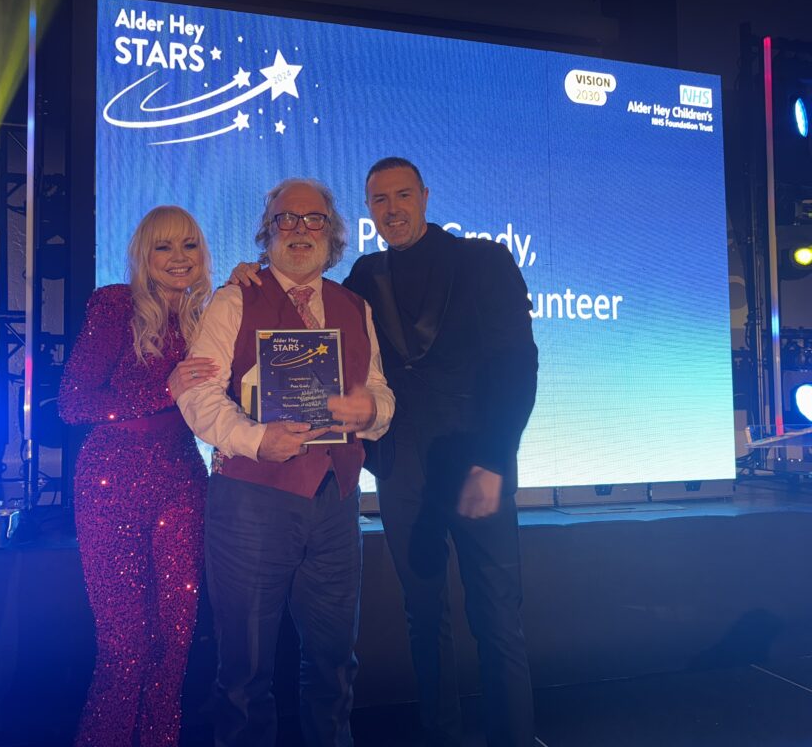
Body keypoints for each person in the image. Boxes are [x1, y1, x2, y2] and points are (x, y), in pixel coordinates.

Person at [232, 158, 538, 747]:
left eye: (402, 195)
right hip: (403, 472)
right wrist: (255, 272)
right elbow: (304, 298)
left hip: (479, 464)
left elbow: (518, 368)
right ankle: (438, 734)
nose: (392, 209)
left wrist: (494, 462)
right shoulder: (365, 278)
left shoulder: (485, 261)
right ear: (368, 209)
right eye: (378, 200)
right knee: (424, 618)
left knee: (498, 618)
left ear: (425, 195)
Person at [176, 178, 395, 747]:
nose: (300, 229)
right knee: (244, 673)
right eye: (286, 219)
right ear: (267, 230)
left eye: (314, 219)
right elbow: (197, 393)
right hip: (251, 500)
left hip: (336, 502)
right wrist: (253, 438)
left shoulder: (355, 306)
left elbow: (380, 392)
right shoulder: (233, 300)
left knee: (333, 663)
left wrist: (370, 409)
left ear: (334, 232)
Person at [59, 205, 218, 747]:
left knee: (175, 645)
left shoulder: (212, 313)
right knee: (124, 649)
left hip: (182, 481)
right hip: (110, 484)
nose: (179, 258)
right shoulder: (114, 306)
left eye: (189, 245)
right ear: (143, 257)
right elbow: (73, 404)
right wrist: (165, 387)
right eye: (164, 247)